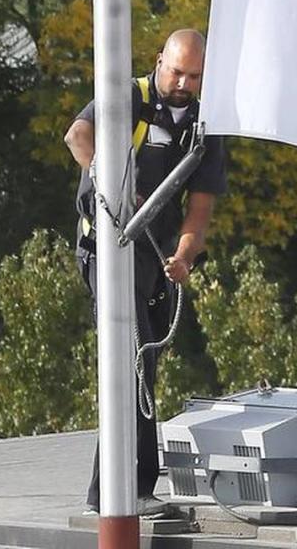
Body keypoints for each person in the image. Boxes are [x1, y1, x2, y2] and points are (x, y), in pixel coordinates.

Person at [64, 28, 227, 517]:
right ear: (160, 61)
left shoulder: (203, 125)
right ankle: (122, 490)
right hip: (108, 247)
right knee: (132, 360)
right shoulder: (128, 98)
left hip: (152, 257)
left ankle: (124, 488)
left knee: (143, 363)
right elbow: (77, 134)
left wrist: (184, 256)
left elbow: (199, 210)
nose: (182, 82)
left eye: (193, 75)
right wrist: (103, 174)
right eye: (176, 71)